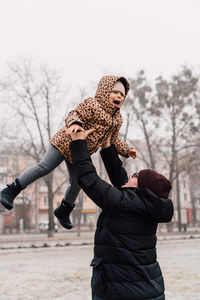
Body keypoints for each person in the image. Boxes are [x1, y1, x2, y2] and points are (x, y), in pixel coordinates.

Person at [0, 75, 137, 230]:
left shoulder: (117, 119)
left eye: (122, 95)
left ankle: (64, 209)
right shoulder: (92, 104)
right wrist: (75, 123)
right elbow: (74, 113)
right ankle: (10, 190)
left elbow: (113, 139)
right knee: (44, 167)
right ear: (105, 92)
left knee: (77, 181)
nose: (119, 96)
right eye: (115, 92)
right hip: (65, 142)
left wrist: (126, 149)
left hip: (79, 152)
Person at [69, 129, 174, 300]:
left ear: (140, 187)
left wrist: (78, 142)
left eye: (135, 175)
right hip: (148, 290)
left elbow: (89, 178)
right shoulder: (146, 206)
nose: (130, 177)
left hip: (120, 291)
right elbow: (122, 180)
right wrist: (107, 147)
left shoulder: (124, 203)